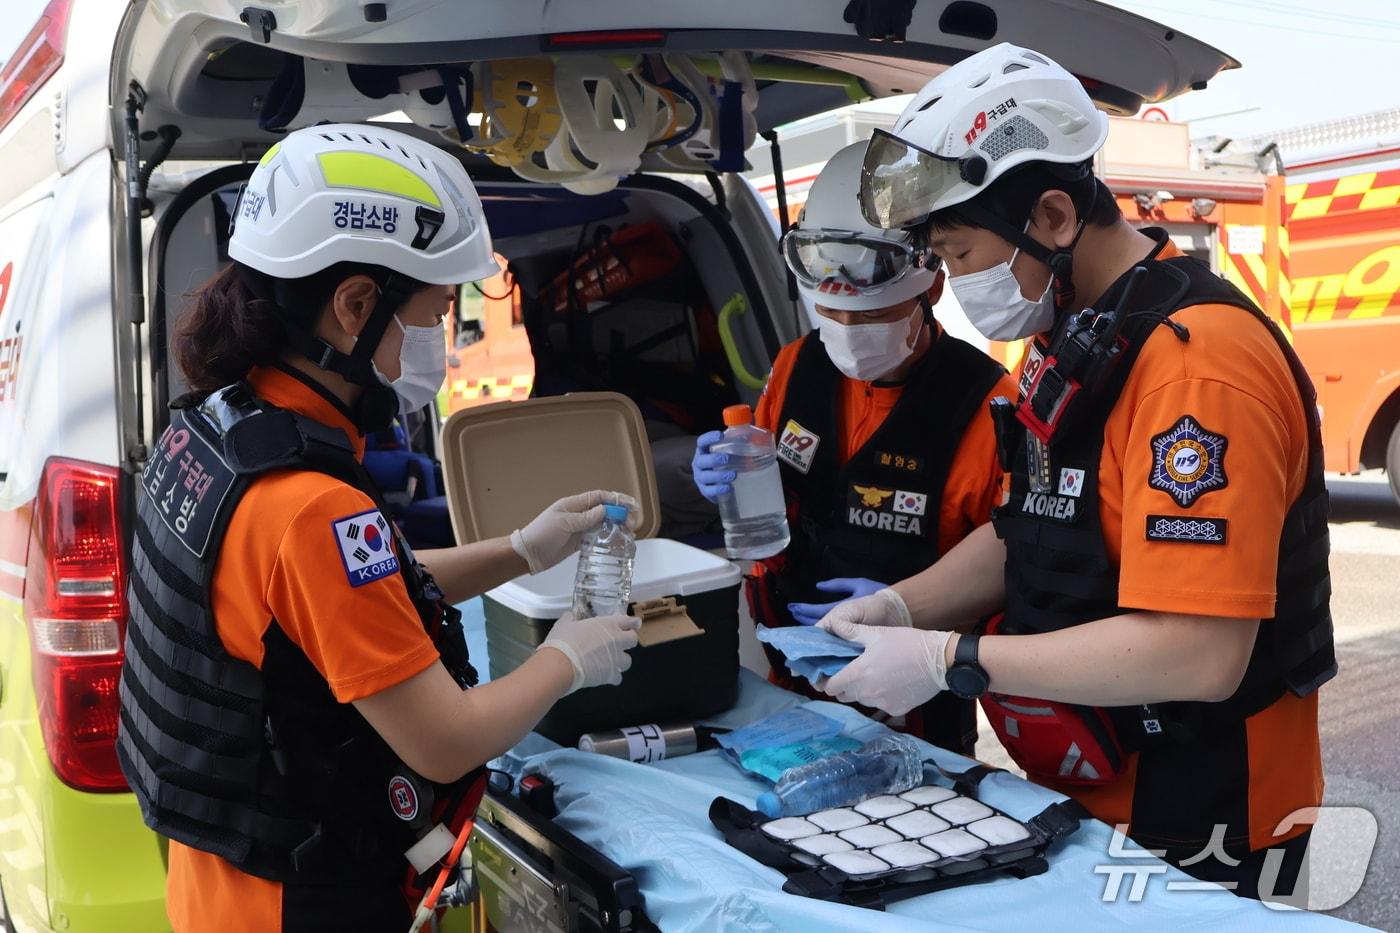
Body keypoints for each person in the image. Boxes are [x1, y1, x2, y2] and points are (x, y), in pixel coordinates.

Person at [818, 43, 1334, 901]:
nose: (955, 284)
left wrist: (951, 658)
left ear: (1055, 216)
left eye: (961, 255)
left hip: (1206, 809)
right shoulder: (1072, 336)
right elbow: (1030, 525)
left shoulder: (1197, 366)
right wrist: (903, 606)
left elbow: (1201, 652)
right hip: (1091, 792)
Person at [117, 124, 641, 932]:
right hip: (298, 901)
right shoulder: (309, 505)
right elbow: (445, 740)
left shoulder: (218, 431)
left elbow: (339, 601)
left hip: (225, 882)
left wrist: (520, 550)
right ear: (356, 305)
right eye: (434, 312)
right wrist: (567, 657)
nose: (442, 342)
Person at [691, 142, 1016, 755]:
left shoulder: (986, 402)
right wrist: (732, 475)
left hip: (913, 699)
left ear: (931, 288)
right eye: (832, 314)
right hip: (791, 668)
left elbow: (1010, 563)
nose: (847, 333)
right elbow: (777, 487)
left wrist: (912, 608)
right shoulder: (797, 365)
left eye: (871, 318)